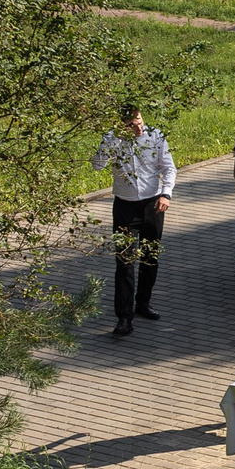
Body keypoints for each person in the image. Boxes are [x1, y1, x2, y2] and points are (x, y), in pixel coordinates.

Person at [91, 103, 175, 339]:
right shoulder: (112, 138)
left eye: (139, 121)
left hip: (153, 204)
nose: (137, 127)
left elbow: (169, 168)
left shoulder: (155, 135)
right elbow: (97, 165)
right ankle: (124, 317)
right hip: (125, 206)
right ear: (121, 124)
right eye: (131, 124)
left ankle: (143, 303)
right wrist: (115, 140)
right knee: (125, 262)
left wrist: (166, 194)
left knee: (150, 258)